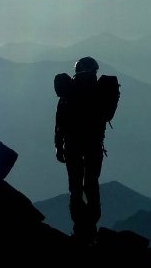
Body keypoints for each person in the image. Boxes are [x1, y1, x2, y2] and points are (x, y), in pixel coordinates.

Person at [55, 56, 108, 243]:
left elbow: (60, 122)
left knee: (75, 187)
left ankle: (79, 229)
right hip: (94, 144)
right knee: (91, 183)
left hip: (72, 145)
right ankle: (91, 228)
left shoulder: (68, 92)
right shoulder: (99, 91)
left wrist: (58, 147)